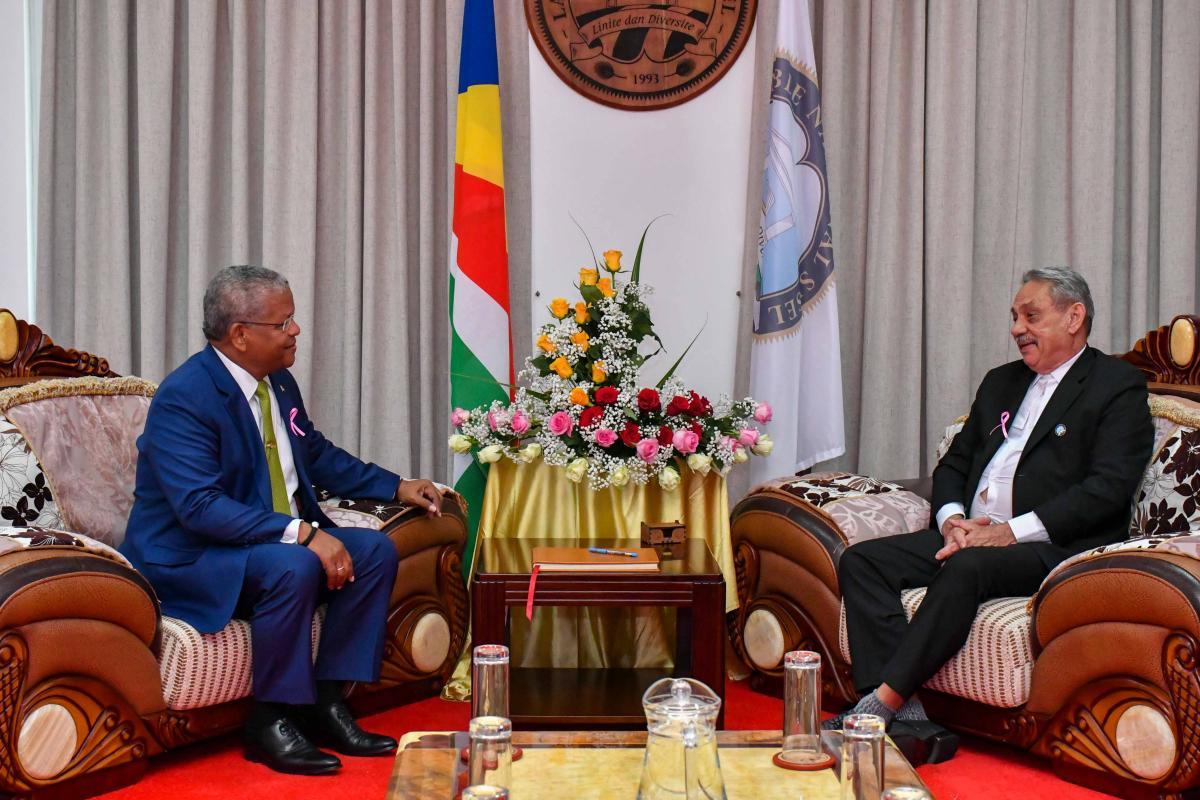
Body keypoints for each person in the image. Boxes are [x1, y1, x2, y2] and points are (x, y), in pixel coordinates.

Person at [121, 265, 444, 776]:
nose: (296, 331)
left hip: (259, 545)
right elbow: (200, 507)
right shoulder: (186, 397)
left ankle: (328, 702)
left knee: (375, 550)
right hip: (191, 556)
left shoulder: (278, 383)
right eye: (284, 322)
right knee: (293, 566)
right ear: (240, 335)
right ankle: (270, 721)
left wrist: (395, 484)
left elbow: (313, 453)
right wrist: (304, 534)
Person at [828, 267, 1153, 762]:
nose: (1017, 328)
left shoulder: (1116, 385)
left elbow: (1107, 490)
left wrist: (1008, 532)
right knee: (861, 561)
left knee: (967, 566)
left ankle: (879, 706)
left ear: (1074, 317)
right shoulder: (1002, 382)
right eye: (1014, 317)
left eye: (1031, 315)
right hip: (971, 535)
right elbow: (955, 462)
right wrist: (953, 521)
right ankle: (909, 718)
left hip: (1052, 545)